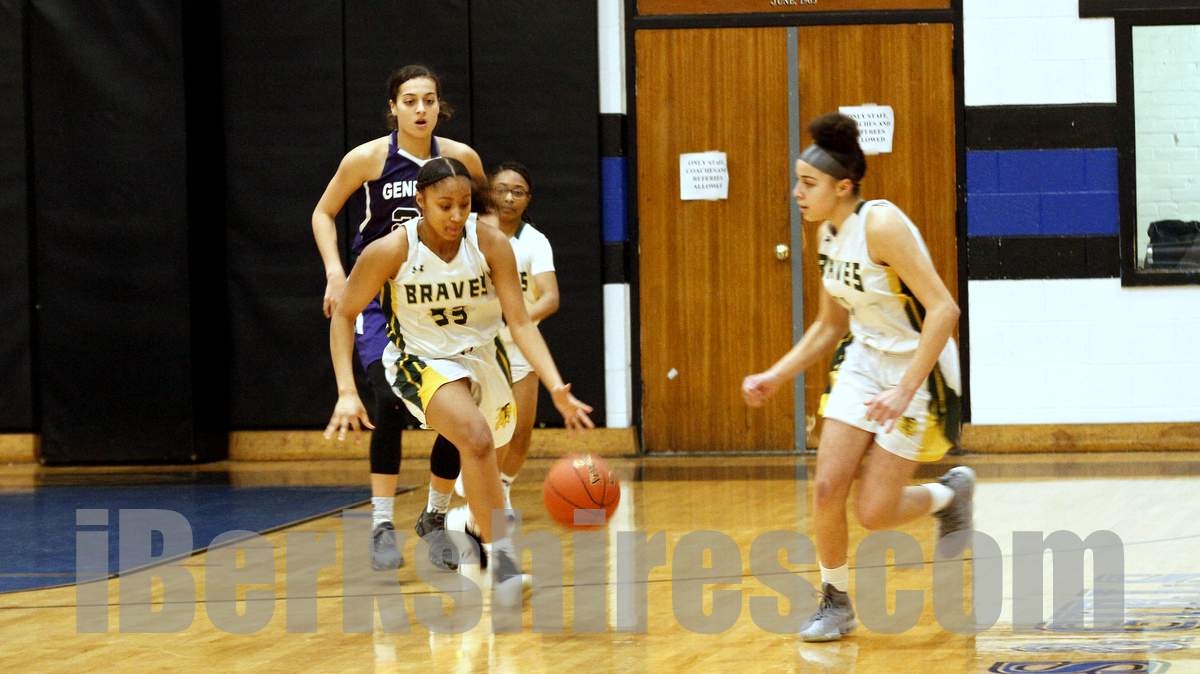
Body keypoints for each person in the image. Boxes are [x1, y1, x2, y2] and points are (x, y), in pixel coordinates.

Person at [741, 113, 974, 643]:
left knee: (875, 512)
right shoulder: (826, 233)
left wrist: (904, 389)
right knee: (827, 486)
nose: (796, 193)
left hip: (918, 368)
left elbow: (944, 310)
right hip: (865, 360)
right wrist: (775, 375)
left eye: (808, 183)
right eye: (797, 181)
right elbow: (830, 324)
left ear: (843, 187)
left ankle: (948, 495)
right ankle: (835, 601)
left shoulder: (881, 224)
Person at [325, 157, 593, 598]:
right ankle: (503, 567)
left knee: (487, 452)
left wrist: (555, 386)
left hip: (484, 356)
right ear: (420, 201)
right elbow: (344, 314)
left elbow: (520, 322)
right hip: (421, 358)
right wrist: (346, 391)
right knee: (475, 437)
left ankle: (463, 523)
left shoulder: (489, 243)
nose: (455, 215)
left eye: (464, 205)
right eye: (444, 205)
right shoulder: (391, 250)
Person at [311, 65, 483, 572]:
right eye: (410, 101)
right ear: (393, 107)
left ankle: (435, 515)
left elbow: (480, 223)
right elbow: (323, 212)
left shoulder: (461, 159)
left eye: (429, 100)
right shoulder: (368, 158)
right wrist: (335, 272)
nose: (421, 109)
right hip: (379, 297)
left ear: (439, 106)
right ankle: (382, 522)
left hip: (436, 298)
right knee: (387, 401)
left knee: (458, 407)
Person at [444, 162, 559, 553]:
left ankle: (501, 488)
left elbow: (550, 296)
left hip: (519, 342)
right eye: (502, 189)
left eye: (518, 191)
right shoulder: (468, 235)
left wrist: (518, 319)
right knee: (480, 429)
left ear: (528, 199)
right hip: (477, 344)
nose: (509, 197)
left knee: (520, 432)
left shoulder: (534, 242)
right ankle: (466, 500)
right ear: (488, 194)